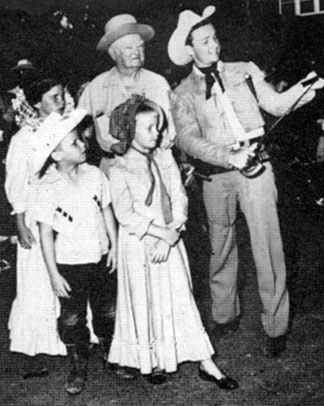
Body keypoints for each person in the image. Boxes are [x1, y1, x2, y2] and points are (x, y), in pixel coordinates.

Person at [168, 6, 324, 357]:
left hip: (256, 167)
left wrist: (307, 87)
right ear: (190, 50)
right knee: (220, 246)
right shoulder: (181, 92)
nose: (215, 46)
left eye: (216, 38)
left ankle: (276, 325)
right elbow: (188, 140)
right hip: (217, 175)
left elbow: (275, 104)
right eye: (206, 41)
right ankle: (224, 316)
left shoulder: (245, 71)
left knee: (267, 245)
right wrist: (228, 157)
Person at [107, 95, 238, 390]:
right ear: (129, 131)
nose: (157, 134)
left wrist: (173, 231)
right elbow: (125, 214)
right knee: (146, 299)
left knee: (181, 298)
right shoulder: (119, 169)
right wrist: (158, 233)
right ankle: (151, 358)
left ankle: (207, 363)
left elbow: (179, 196)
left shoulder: (164, 158)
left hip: (169, 239)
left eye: (158, 127)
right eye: (150, 128)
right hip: (139, 244)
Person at [35, 110, 117, 395]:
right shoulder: (47, 186)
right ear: (56, 155)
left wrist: (114, 245)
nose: (83, 144)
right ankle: (78, 364)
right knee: (72, 317)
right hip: (70, 263)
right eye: (74, 143)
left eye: (81, 139)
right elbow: (45, 233)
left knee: (108, 309)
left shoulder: (94, 174)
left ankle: (111, 353)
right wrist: (54, 274)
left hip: (100, 256)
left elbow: (106, 209)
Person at [5, 78, 68, 378]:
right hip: (35, 213)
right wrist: (20, 220)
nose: (61, 102)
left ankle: (72, 337)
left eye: (63, 96)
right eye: (54, 98)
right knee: (35, 279)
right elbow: (17, 180)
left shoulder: (67, 128)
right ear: (37, 102)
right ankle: (34, 347)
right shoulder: (23, 138)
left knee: (67, 272)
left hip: (66, 211)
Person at [78, 13, 176, 176]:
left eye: (140, 47)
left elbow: (172, 128)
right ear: (113, 53)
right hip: (114, 167)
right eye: (128, 48)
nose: (136, 52)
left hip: (155, 165)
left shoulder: (158, 83)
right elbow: (78, 127)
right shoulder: (97, 87)